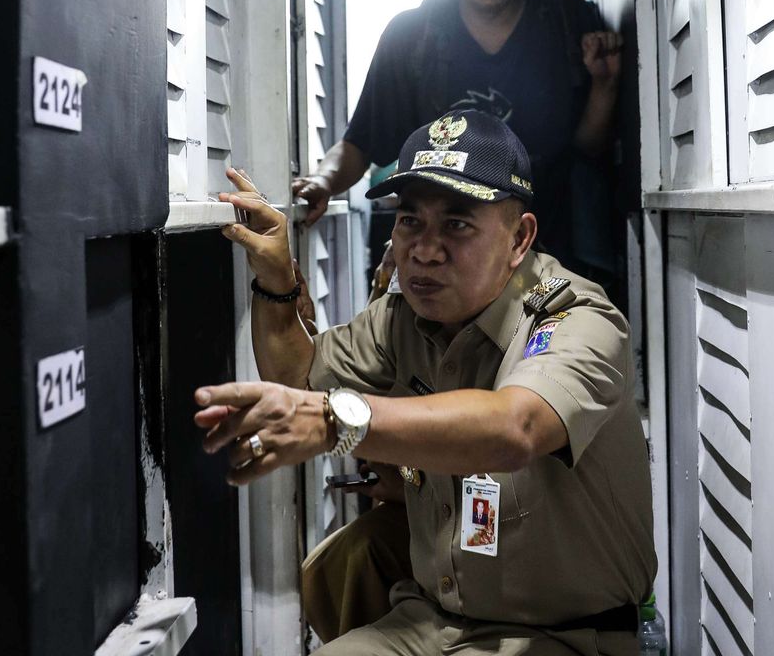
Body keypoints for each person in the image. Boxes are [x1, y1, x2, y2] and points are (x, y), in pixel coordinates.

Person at [197, 110, 656, 655]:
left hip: (568, 636)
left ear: (519, 237)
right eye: (410, 220)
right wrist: (276, 277)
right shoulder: (405, 315)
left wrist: (334, 422)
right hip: (433, 620)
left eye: (457, 224)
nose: (424, 249)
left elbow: (516, 427)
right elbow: (302, 377)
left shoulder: (576, 319)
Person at [292, 0, 622, 282]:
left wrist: (605, 83)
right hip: (440, 258)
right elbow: (361, 142)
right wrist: (322, 181)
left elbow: (588, 149)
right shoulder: (413, 36)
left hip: (548, 257)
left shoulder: (565, 21)